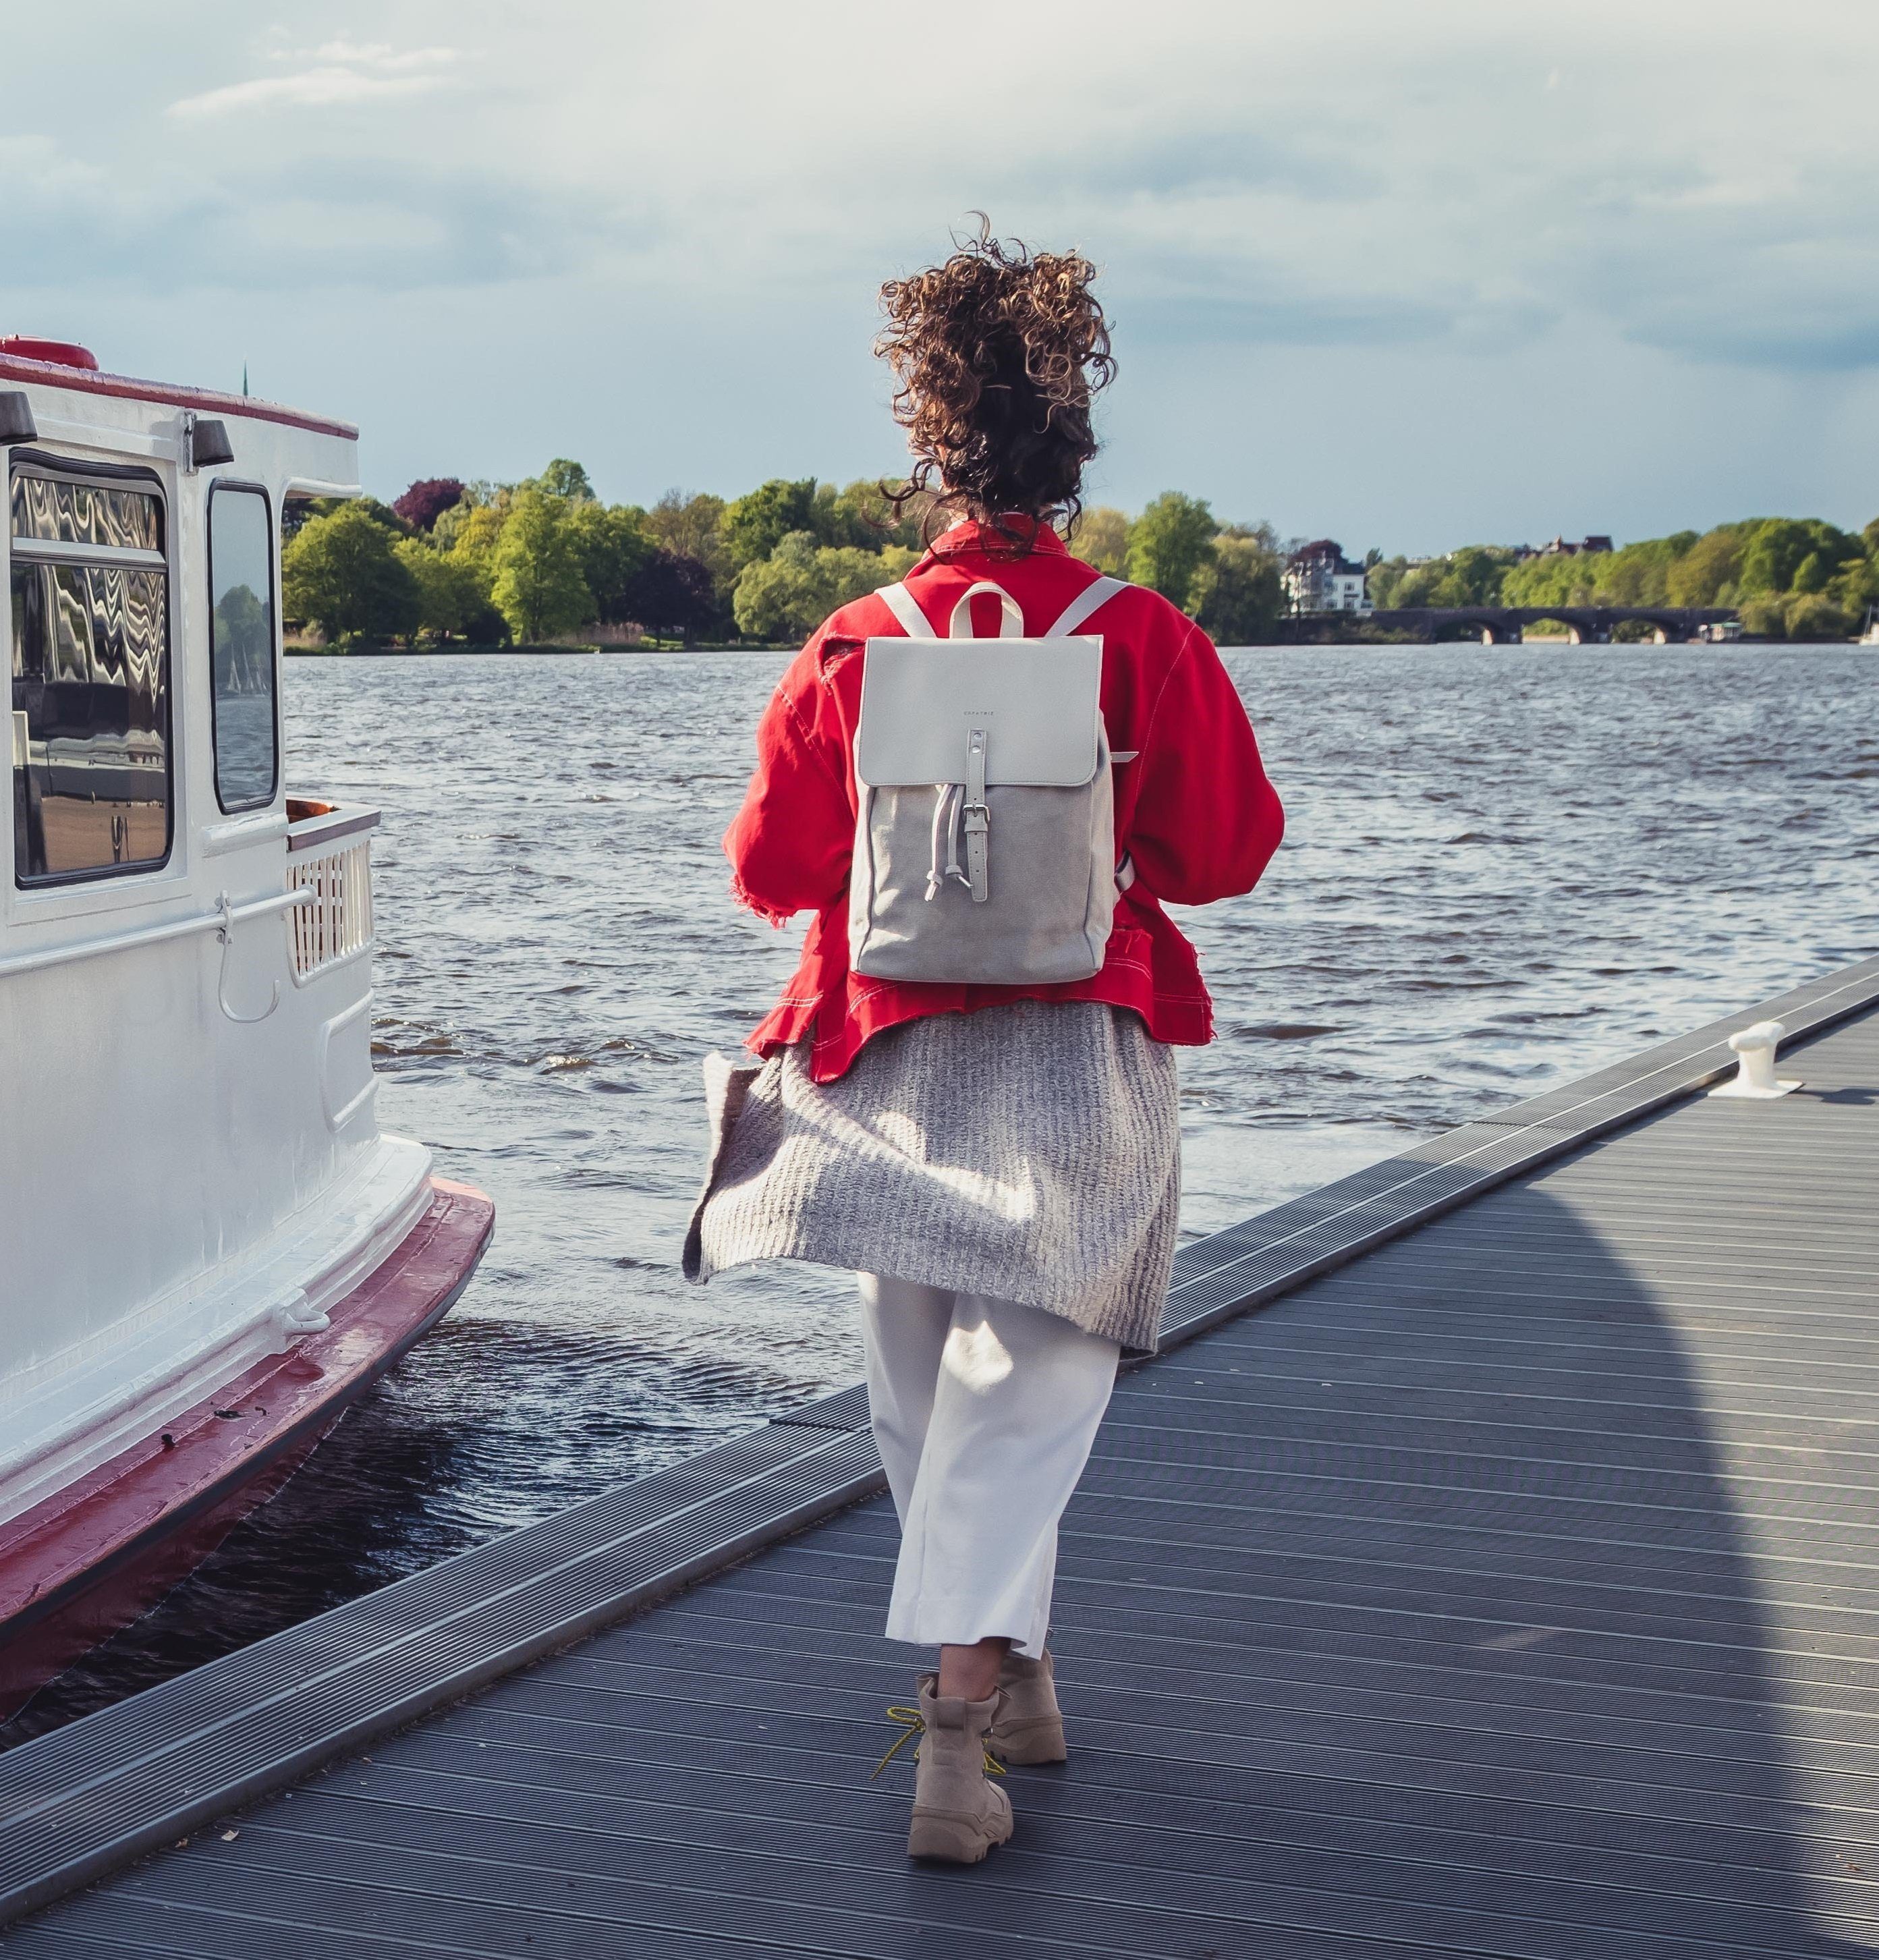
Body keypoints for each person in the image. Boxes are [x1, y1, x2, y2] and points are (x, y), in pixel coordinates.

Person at [685, 227, 1283, 1863]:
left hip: (878, 1055)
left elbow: (766, 873)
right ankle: (956, 1732)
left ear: (931, 459)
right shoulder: (1140, 632)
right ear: (1070, 462)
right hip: (1076, 1047)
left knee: (921, 1395)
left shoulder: (855, 636)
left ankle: (1007, 1679)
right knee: (1027, 1390)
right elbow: (1227, 852)